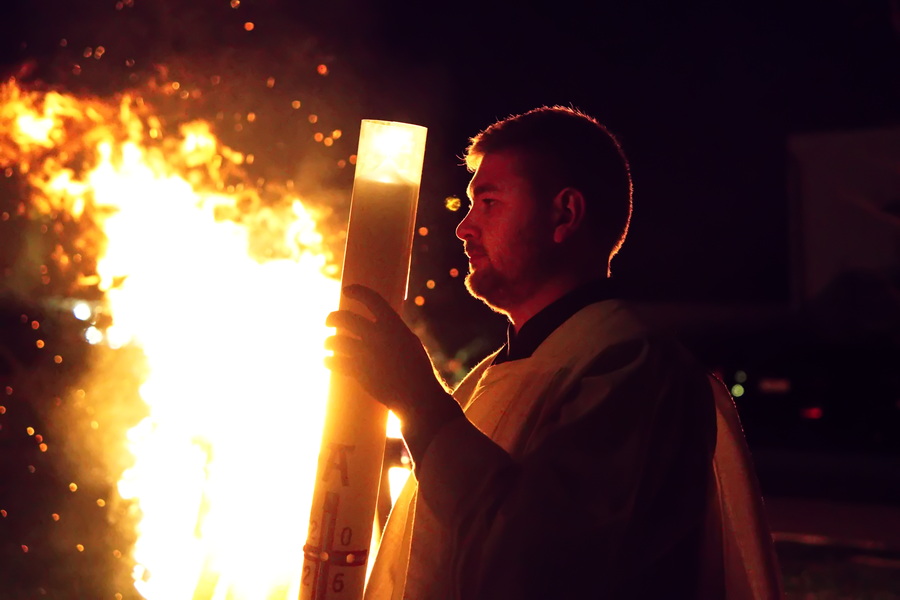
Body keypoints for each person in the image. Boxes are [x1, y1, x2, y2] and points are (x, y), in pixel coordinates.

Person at [324, 106, 782, 599]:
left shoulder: (635, 369)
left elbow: (536, 569)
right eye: (470, 205)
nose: (464, 228)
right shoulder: (492, 374)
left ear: (564, 214)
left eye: (489, 203)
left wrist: (418, 400)